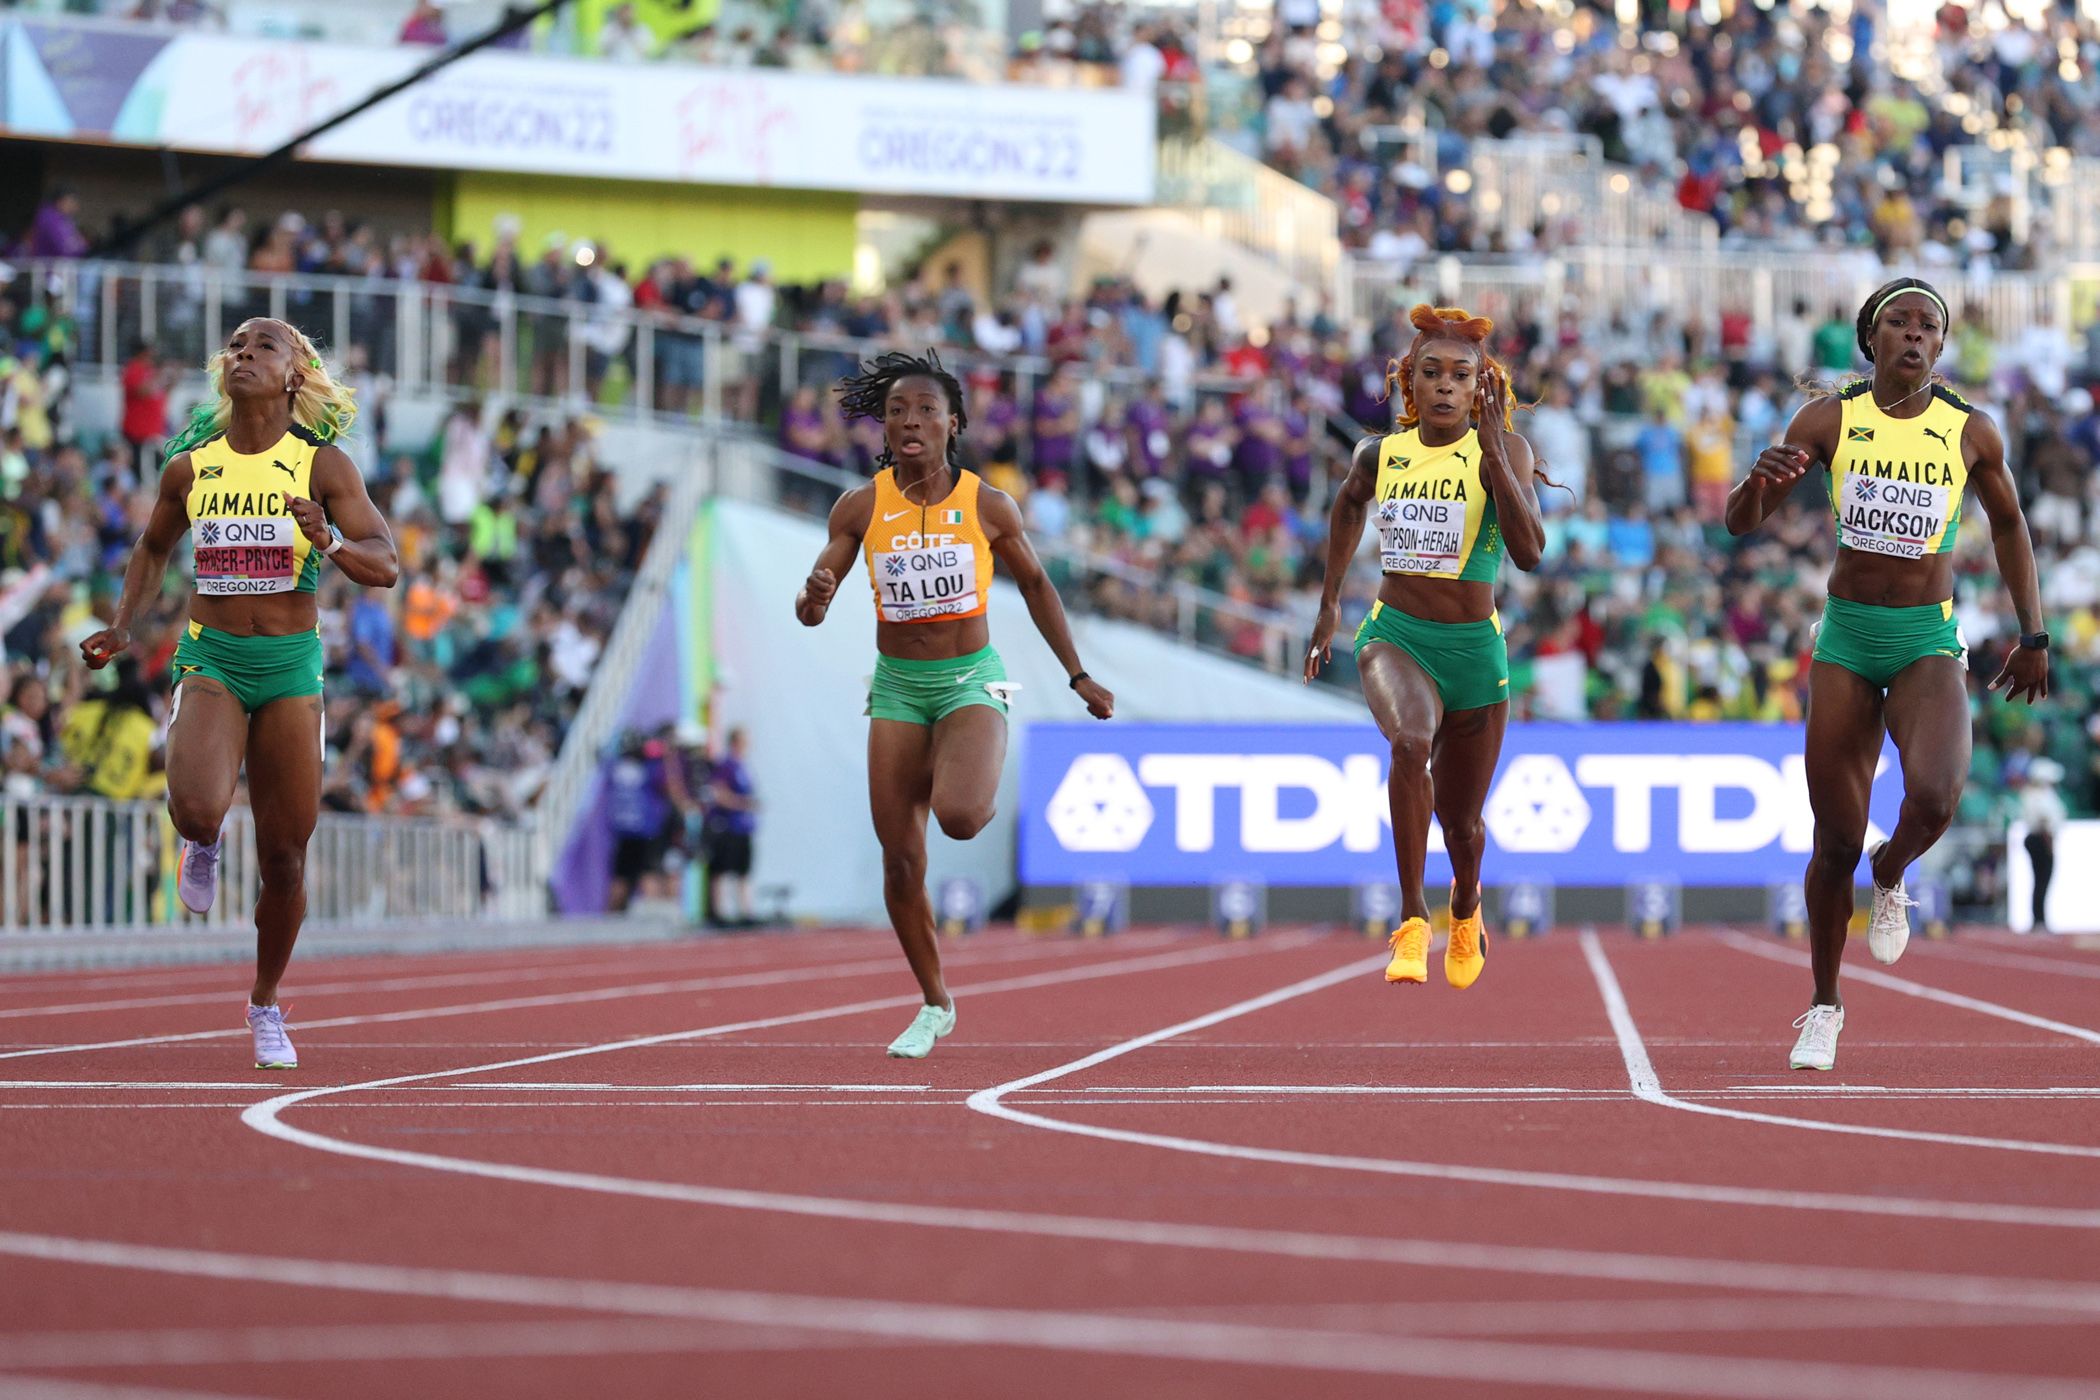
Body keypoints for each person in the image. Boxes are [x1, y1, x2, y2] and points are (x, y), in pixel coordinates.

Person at [1726, 277, 2048, 1072]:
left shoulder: (1971, 431)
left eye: (1928, 326)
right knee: (1832, 839)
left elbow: (2009, 524)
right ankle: (1824, 1005)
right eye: (1898, 323)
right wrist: (1756, 481)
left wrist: (2033, 632)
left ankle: (1893, 868)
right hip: (1845, 641)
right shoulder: (1830, 418)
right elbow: (1740, 523)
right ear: (1872, 341)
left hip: (1925, 639)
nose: (1914, 335)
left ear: (1941, 347)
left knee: (1935, 798)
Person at [79, 319, 399, 1071]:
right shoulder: (191, 469)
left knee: (286, 860)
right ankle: (206, 837)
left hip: (290, 667)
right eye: (236, 344)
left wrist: (327, 542)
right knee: (194, 807)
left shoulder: (322, 465)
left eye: (264, 346)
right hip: (212, 656)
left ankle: (264, 1004)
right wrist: (123, 625)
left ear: (295, 372)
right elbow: (154, 547)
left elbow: (384, 565)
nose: (244, 353)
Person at [796, 350, 1114, 1059]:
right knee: (902, 862)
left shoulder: (988, 504)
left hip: (970, 678)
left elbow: (1037, 587)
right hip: (898, 687)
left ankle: (966, 752)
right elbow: (814, 603)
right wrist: (811, 598)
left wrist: (1078, 674)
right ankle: (936, 1002)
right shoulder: (859, 506)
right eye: (898, 412)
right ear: (883, 428)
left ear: (954, 424)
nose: (911, 422)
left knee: (962, 817)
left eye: (926, 411)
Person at [1305, 305, 1548, 991]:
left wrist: (1496, 453)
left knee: (1463, 824)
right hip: (1395, 635)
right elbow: (1350, 503)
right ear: (1410, 383)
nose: (1444, 386)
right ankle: (1411, 920)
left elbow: (1529, 554)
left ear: (1480, 386)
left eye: (1460, 375)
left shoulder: (1507, 452)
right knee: (1409, 743)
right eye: (1430, 373)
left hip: (1474, 652)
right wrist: (1328, 605)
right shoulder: (1379, 454)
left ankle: (1465, 905)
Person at [706, 726, 758, 926]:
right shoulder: (727, 765)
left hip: (743, 826)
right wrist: (742, 803)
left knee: (743, 870)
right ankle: (718, 912)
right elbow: (718, 793)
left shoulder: (742, 765)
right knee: (722, 869)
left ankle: (745, 911)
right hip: (728, 826)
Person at [2017, 758, 2066, 932]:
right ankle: (2039, 920)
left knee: (2041, 881)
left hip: (2039, 838)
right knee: (2041, 880)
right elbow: (2044, 819)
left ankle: (2040, 919)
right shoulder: (2038, 795)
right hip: (2041, 839)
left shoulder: (2034, 793)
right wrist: (2049, 841)